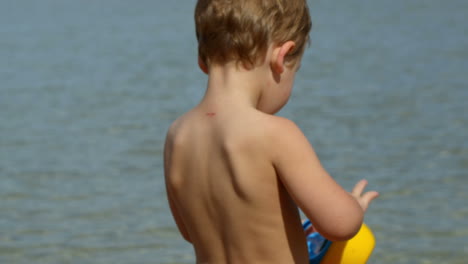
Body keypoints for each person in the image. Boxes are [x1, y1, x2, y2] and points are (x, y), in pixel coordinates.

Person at [163, 0, 379, 263]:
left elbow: (190, 231)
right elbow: (340, 225)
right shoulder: (277, 133)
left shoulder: (178, 135)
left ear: (202, 61)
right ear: (281, 57)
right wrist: (353, 207)